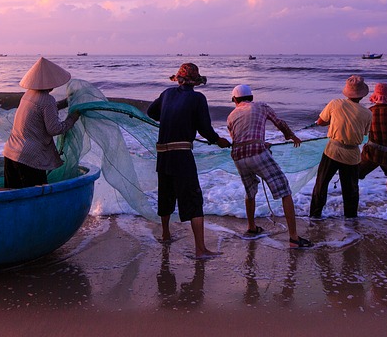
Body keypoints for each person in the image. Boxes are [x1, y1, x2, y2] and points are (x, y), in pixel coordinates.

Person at [147, 62, 231, 259]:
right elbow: (204, 128)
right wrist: (218, 140)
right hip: (181, 155)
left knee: (166, 194)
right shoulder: (198, 98)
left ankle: (166, 234)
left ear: (178, 79)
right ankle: (200, 250)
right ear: (195, 82)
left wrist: (170, 116)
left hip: (163, 155)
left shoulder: (167, 94)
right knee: (193, 199)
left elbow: (151, 113)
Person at [226, 84, 313, 249]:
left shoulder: (231, 116)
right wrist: (291, 136)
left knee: (250, 191)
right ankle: (294, 238)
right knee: (285, 191)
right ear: (251, 97)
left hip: (238, 156)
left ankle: (251, 227)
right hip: (257, 153)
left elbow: (238, 139)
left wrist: (260, 142)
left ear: (235, 100)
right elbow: (279, 123)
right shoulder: (261, 106)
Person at [3, 57, 80, 188]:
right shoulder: (47, 100)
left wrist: (64, 103)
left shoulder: (28, 95)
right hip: (29, 159)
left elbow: (42, 110)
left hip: (10, 153)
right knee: (36, 196)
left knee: (12, 195)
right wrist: (72, 118)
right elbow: (54, 129)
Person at [309, 75, 372, 219]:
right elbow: (364, 133)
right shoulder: (368, 113)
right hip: (352, 155)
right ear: (362, 95)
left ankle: (315, 215)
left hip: (333, 151)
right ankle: (350, 218)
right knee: (351, 189)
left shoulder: (335, 103)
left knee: (321, 184)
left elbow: (321, 121)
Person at [357, 82, 387, 193]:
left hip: (372, 152)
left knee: (355, 173)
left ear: (375, 98)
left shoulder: (369, 112)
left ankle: (352, 196)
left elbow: (365, 131)